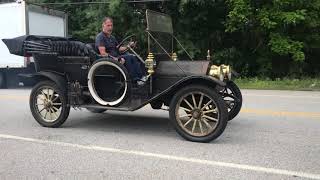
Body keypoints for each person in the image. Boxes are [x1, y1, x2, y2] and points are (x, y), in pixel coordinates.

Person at [95, 17, 146, 85]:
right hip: (108, 61)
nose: (110, 28)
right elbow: (103, 53)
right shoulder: (100, 37)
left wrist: (128, 46)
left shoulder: (112, 37)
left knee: (132, 56)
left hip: (117, 56)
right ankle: (135, 79)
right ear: (103, 25)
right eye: (108, 25)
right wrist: (116, 59)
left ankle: (142, 77)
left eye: (111, 25)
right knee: (128, 58)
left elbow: (118, 48)